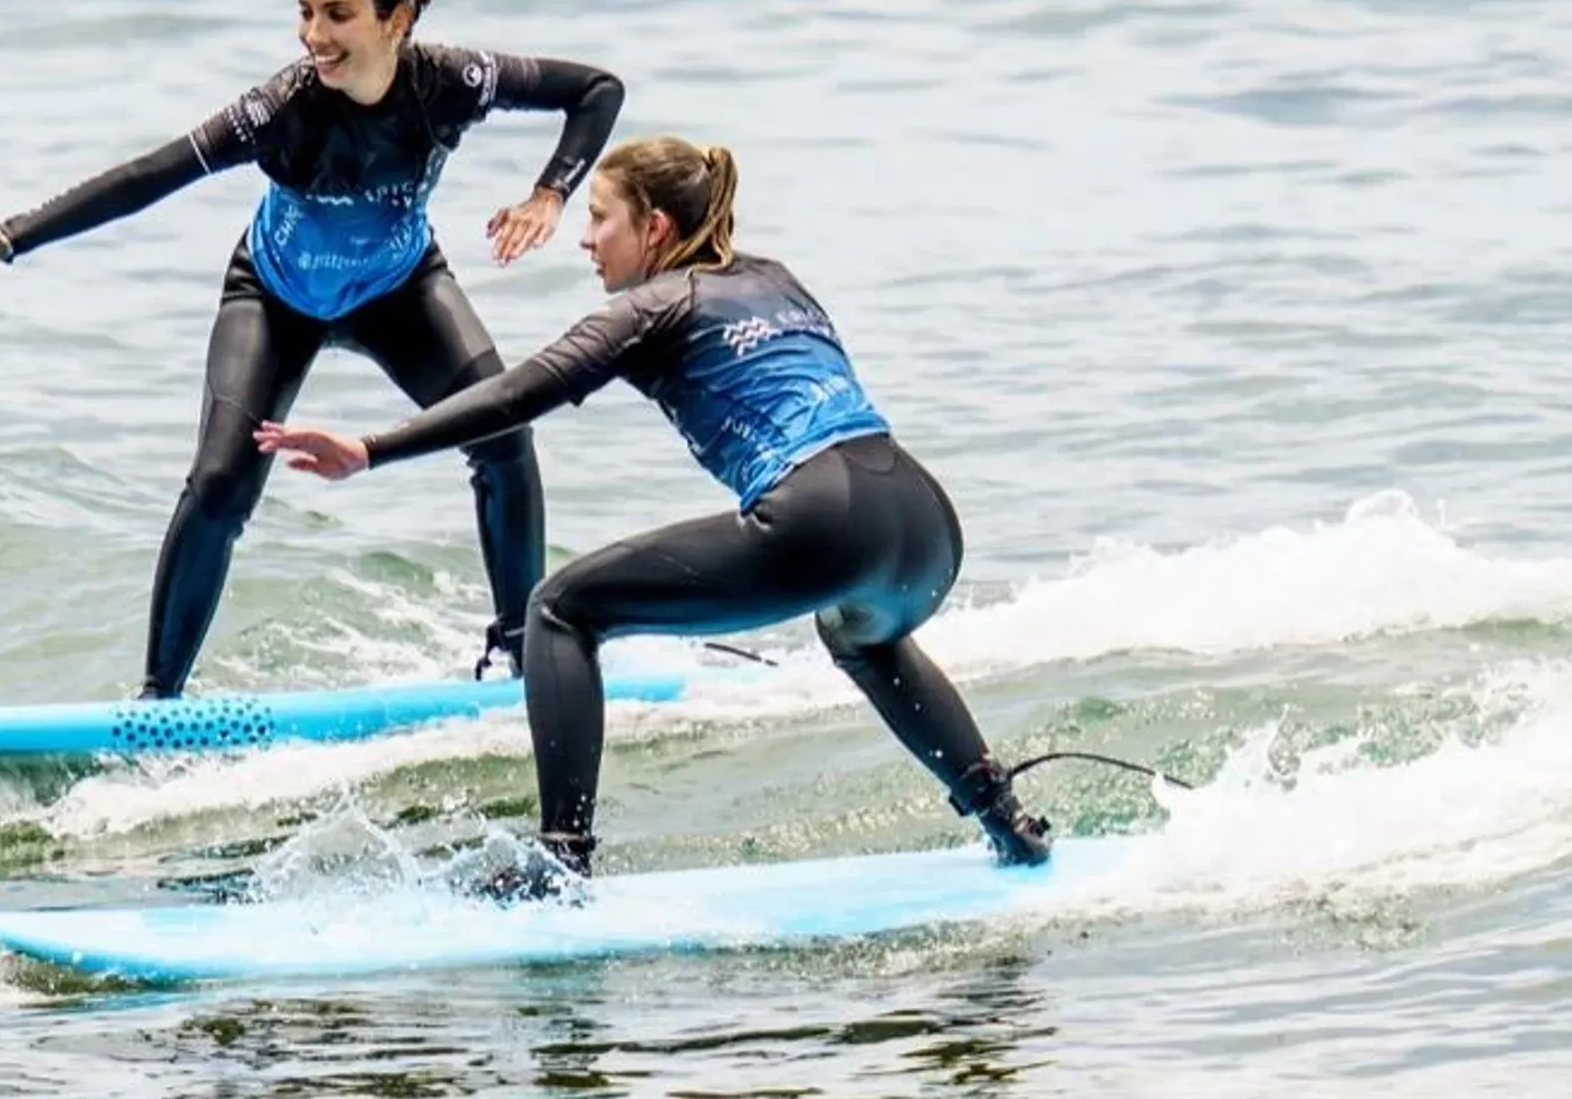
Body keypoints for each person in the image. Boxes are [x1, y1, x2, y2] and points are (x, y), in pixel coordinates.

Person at [253, 136, 1056, 891]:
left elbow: (515, 395)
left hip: (823, 520)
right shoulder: (776, 276)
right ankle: (1004, 820)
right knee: (862, 635)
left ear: (656, 226)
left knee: (559, 611)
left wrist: (370, 448)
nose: (587, 239)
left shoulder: (654, 307)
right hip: (922, 526)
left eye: (600, 218)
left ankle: (560, 860)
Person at [0, 0, 623, 694]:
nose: (315, 36)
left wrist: (550, 195)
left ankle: (518, 659)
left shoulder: (454, 80)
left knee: (503, 437)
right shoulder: (279, 109)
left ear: (396, 18)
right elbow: (148, 175)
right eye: (305, 14)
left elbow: (597, 89)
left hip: (401, 289)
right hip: (275, 300)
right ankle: (160, 700)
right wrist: (5, 240)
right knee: (218, 485)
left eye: (337, 15)